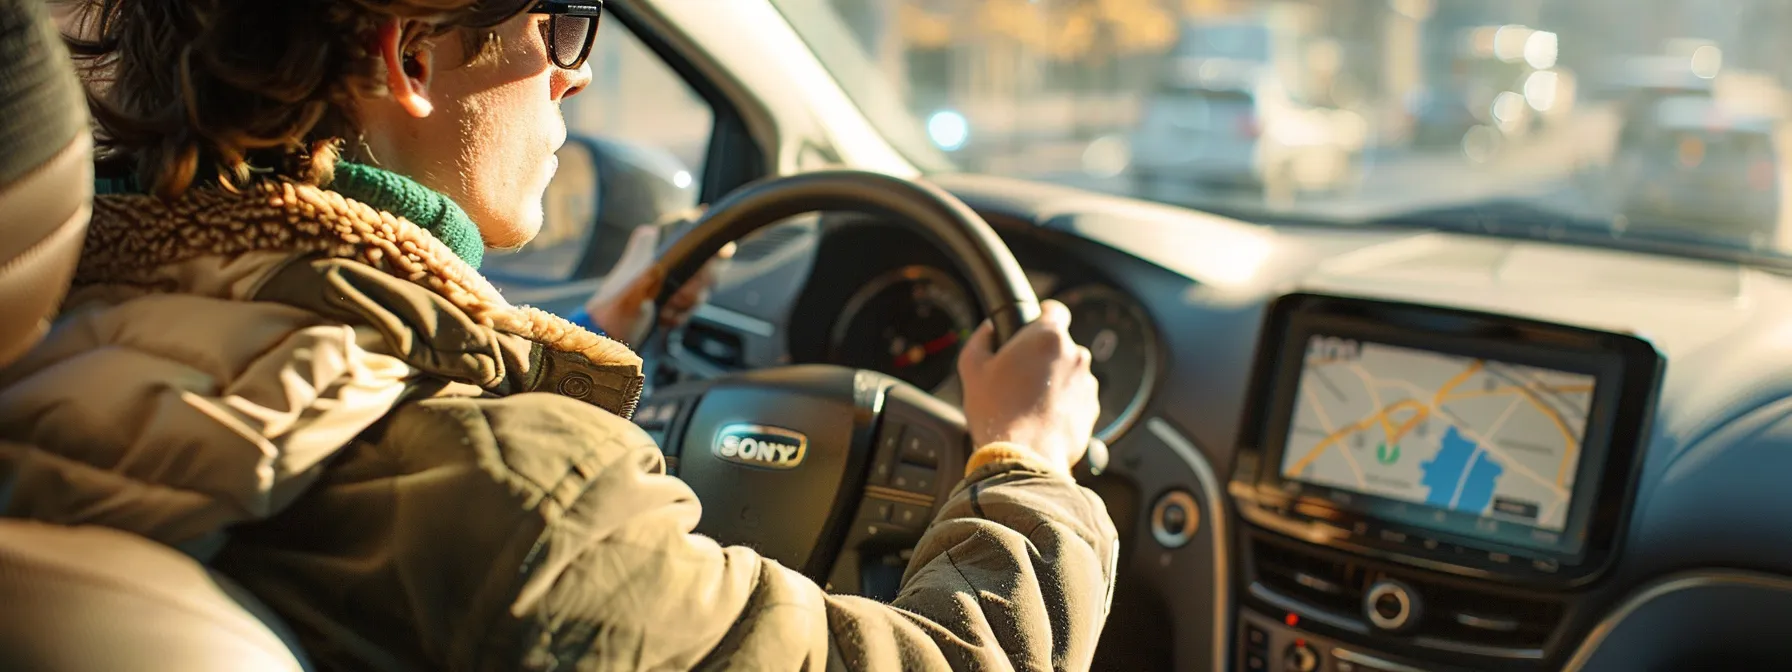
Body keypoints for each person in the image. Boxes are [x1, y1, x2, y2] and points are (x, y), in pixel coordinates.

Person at [0, 1, 1119, 670]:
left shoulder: (68, 327)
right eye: (558, 21)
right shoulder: (527, 500)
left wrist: (587, 329)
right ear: (411, 58)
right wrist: (1025, 462)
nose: (578, 69)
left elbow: (310, 391)